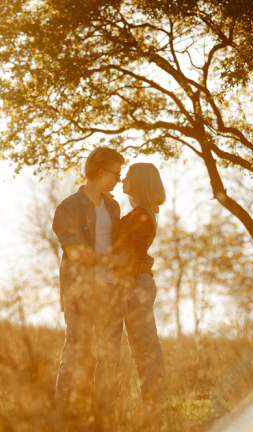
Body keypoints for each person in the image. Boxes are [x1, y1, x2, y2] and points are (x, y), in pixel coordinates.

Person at [52, 147, 131, 420]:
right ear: (101, 172)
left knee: (110, 361)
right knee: (75, 358)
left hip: (110, 292)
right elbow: (75, 252)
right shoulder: (68, 208)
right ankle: (64, 419)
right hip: (81, 293)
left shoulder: (113, 206)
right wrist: (113, 261)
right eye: (116, 174)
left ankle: (105, 420)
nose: (119, 181)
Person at [113, 162, 167, 417]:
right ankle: (149, 406)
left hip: (135, 285)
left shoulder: (142, 214)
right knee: (139, 350)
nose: (122, 180)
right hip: (134, 283)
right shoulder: (139, 213)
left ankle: (155, 405)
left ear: (140, 182)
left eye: (127, 177)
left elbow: (134, 253)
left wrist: (124, 291)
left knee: (147, 346)